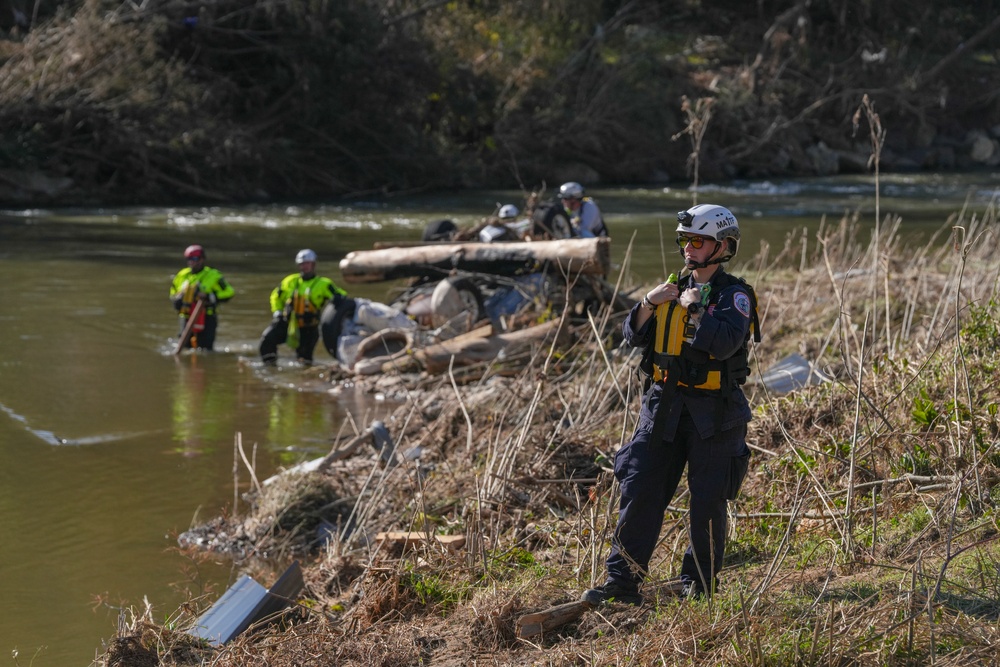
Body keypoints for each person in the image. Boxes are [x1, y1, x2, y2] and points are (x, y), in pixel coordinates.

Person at [583, 203, 760, 606]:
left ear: (723, 246)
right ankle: (622, 582)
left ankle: (698, 587)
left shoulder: (735, 297)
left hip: (714, 413)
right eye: (684, 241)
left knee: (707, 500)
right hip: (662, 407)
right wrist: (647, 301)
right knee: (640, 487)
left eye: (698, 241)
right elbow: (633, 335)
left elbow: (725, 343)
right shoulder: (671, 288)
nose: (688, 249)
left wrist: (696, 308)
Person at [259, 249, 350, 365]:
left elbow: (341, 295)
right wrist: (277, 312)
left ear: (313, 264)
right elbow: (275, 296)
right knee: (267, 340)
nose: (304, 267)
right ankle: (270, 368)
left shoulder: (324, 284)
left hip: (309, 328)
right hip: (287, 323)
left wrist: (339, 298)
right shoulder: (290, 281)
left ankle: (305, 378)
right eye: (302, 264)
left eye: (307, 263)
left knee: (304, 360)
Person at [169, 244, 235, 351]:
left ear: (202, 259)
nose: (192, 262)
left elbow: (229, 292)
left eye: (195, 259)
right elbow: (173, 292)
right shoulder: (182, 275)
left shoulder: (214, 275)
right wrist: (177, 298)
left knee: (205, 350)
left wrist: (210, 296)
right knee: (186, 348)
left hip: (207, 316)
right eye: (189, 259)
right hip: (187, 316)